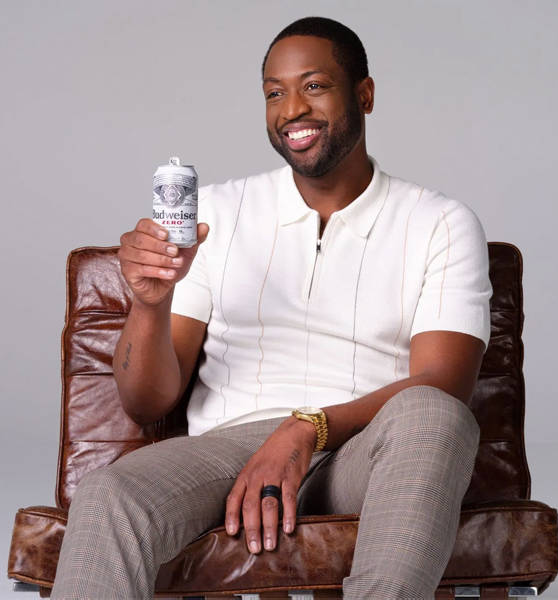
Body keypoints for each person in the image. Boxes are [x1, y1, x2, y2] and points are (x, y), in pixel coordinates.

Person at [50, 16, 492, 600]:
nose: (292, 110)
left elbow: (443, 383)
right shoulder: (218, 212)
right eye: (274, 94)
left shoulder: (440, 223)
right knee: (111, 494)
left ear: (364, 94)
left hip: (363, 449)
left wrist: (307, 428)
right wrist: (150, 305)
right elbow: (146, 401)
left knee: (435, 415)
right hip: (227, 449)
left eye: (315, 86)